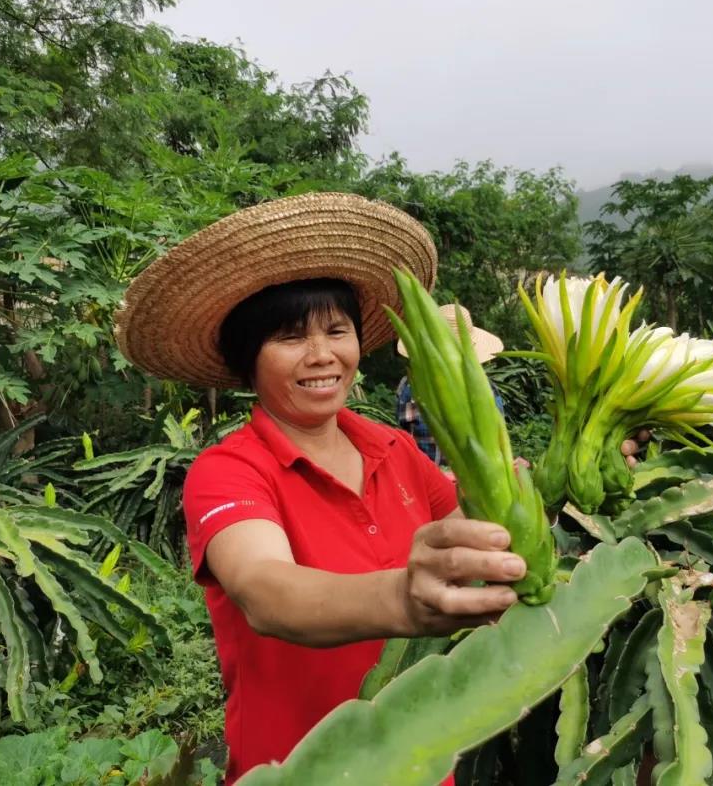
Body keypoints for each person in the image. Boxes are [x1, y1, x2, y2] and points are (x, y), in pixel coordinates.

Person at [114, 193, 524, 785]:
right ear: (247, 360)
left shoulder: (397, 449)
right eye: (289, 338)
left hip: (426, 762)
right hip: (296, 769)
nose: (322, 354)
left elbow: (480, 535)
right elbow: (266, 590)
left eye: (337, 330)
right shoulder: (228, 470)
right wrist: (407, 598)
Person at [395, 304, 505, 465]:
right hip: (465, 484)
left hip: (423, 481)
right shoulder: (485, 390)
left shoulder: (410, 385)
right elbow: (497, 443)